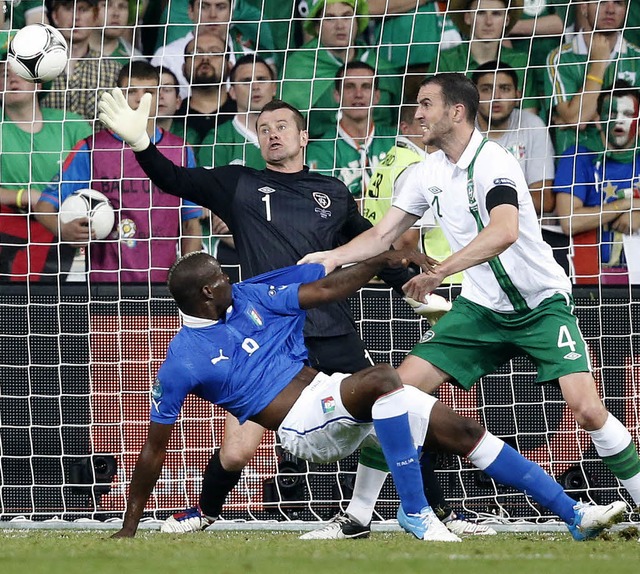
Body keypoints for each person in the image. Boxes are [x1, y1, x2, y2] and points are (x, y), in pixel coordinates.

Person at [96, 89, 490, 538]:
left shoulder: (332, 192)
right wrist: (142, 145)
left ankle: (440, 511)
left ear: (304, 136)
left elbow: (376, 248)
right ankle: (202, 512)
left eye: (281, 127)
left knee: (398, 412)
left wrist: (417, 293)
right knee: (238, 450)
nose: (272, 135)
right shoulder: (238, 184)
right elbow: (173, 180)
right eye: (263, 130)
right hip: (267, 340)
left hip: (332, 328)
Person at [110, 249, 627, 540]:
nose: (231, 282)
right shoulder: (183, 358)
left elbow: (330, 288)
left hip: (327, 395)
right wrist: (130, 526)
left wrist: (383, 259)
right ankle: (415, 511)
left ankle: (575, 517)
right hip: (302, 430)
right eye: (221, 280)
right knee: (385, 379)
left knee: (463, 430)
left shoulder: (247, 297)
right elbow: (154, 448)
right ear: (204, 293)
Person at [300, 72, 640, 513]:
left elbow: (505, 231)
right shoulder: (425, 174)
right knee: (393, 395)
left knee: (588, 410)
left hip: (541, 306)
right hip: (480, 308)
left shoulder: (496, 162)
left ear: (456, 112)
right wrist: (331, 257)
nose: (416, 114)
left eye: (426, 104)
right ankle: (357, 517)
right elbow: (383, 234)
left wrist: (440, 271)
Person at [35, 61, 203, 283]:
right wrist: (63, 229)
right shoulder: (92, 148)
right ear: (119, 97)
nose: (139, 99)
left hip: (165, 287)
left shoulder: (180, 151)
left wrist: (188, 278)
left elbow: (190, 223)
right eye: (131, 91)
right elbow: (43, 206)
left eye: (149, 92)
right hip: (104, 287)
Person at [0, 59, 92, 281]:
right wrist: (25, 196)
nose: (12, 79)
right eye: (4, 74)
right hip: (9, 239)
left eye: (20, 73)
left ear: (39, 84)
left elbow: (98, 179)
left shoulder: (72, 124)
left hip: (68, 233)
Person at [554, 80, 640, 285]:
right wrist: (627, 205)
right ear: (598, 120)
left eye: (628, 115)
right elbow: (569, 221)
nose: (619, 121)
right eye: (611, 113)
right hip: (590, 277)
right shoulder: (577, 157)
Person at [279, 0, 402, 138]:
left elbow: (399, 119)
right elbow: (286, 125)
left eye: (347, 16)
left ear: (357, 22)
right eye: (330, 18)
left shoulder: (382, 68)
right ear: (317, 27)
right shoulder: (298, 67)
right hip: (320, 153)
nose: (340, 25)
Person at [543, 0, 640, 155]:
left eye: (618, 3)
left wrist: (592, 115)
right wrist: (599, 63)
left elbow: (575, 119)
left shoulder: (637, 58)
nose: (610, 10)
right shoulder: (559, 58)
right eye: (601, 3)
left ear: (626, 10)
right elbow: (578, 118)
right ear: (584, 8)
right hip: (576, 163)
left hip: (628, 165)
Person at [472, 61, 555, 218]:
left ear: (518, 95)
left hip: (519, 228)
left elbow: (543, 200)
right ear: (473, 95)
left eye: (505, 89)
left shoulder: (533, 125)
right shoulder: (462, 128)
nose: (496, 97)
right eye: (486, 89)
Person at [306, 62, 397, 202]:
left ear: (377, 96)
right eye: (350, 87)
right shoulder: (320, 150)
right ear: (336, 95)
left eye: (366, 87)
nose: (358, 94)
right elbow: (325, 204)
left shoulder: (397, 141)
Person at [150, 0, 275, 100]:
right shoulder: (166, 56)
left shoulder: (250, 58)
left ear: (231, 13)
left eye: (221, 7)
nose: (212, 15)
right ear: (190, 11)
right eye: (204, 6)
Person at [436, 0, 538, 112]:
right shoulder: (445, 60)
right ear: (467, 17)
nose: (488, 22)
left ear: (507, 20)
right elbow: (435, 112)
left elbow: (529, 117)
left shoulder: (521, 61)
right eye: (480, 13)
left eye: (496, 14)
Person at [42, 0, 122, 123]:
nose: (76, 17)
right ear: (55, 16)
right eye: (69, 8)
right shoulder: (40, 66)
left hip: (96, 142)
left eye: (83, 9)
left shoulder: (113, 70)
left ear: (95, 17)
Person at [174, 33, 236, 145]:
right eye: (196, 53)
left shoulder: (243, 115)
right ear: (183, 68)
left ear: (229, 66)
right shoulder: (173, 117)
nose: (205, 58)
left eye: (215, 52)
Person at [90, 0, 143, 66]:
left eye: (122, 6)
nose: (116, 13)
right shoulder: (74, 53)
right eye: (106, 5)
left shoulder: (136, 61)